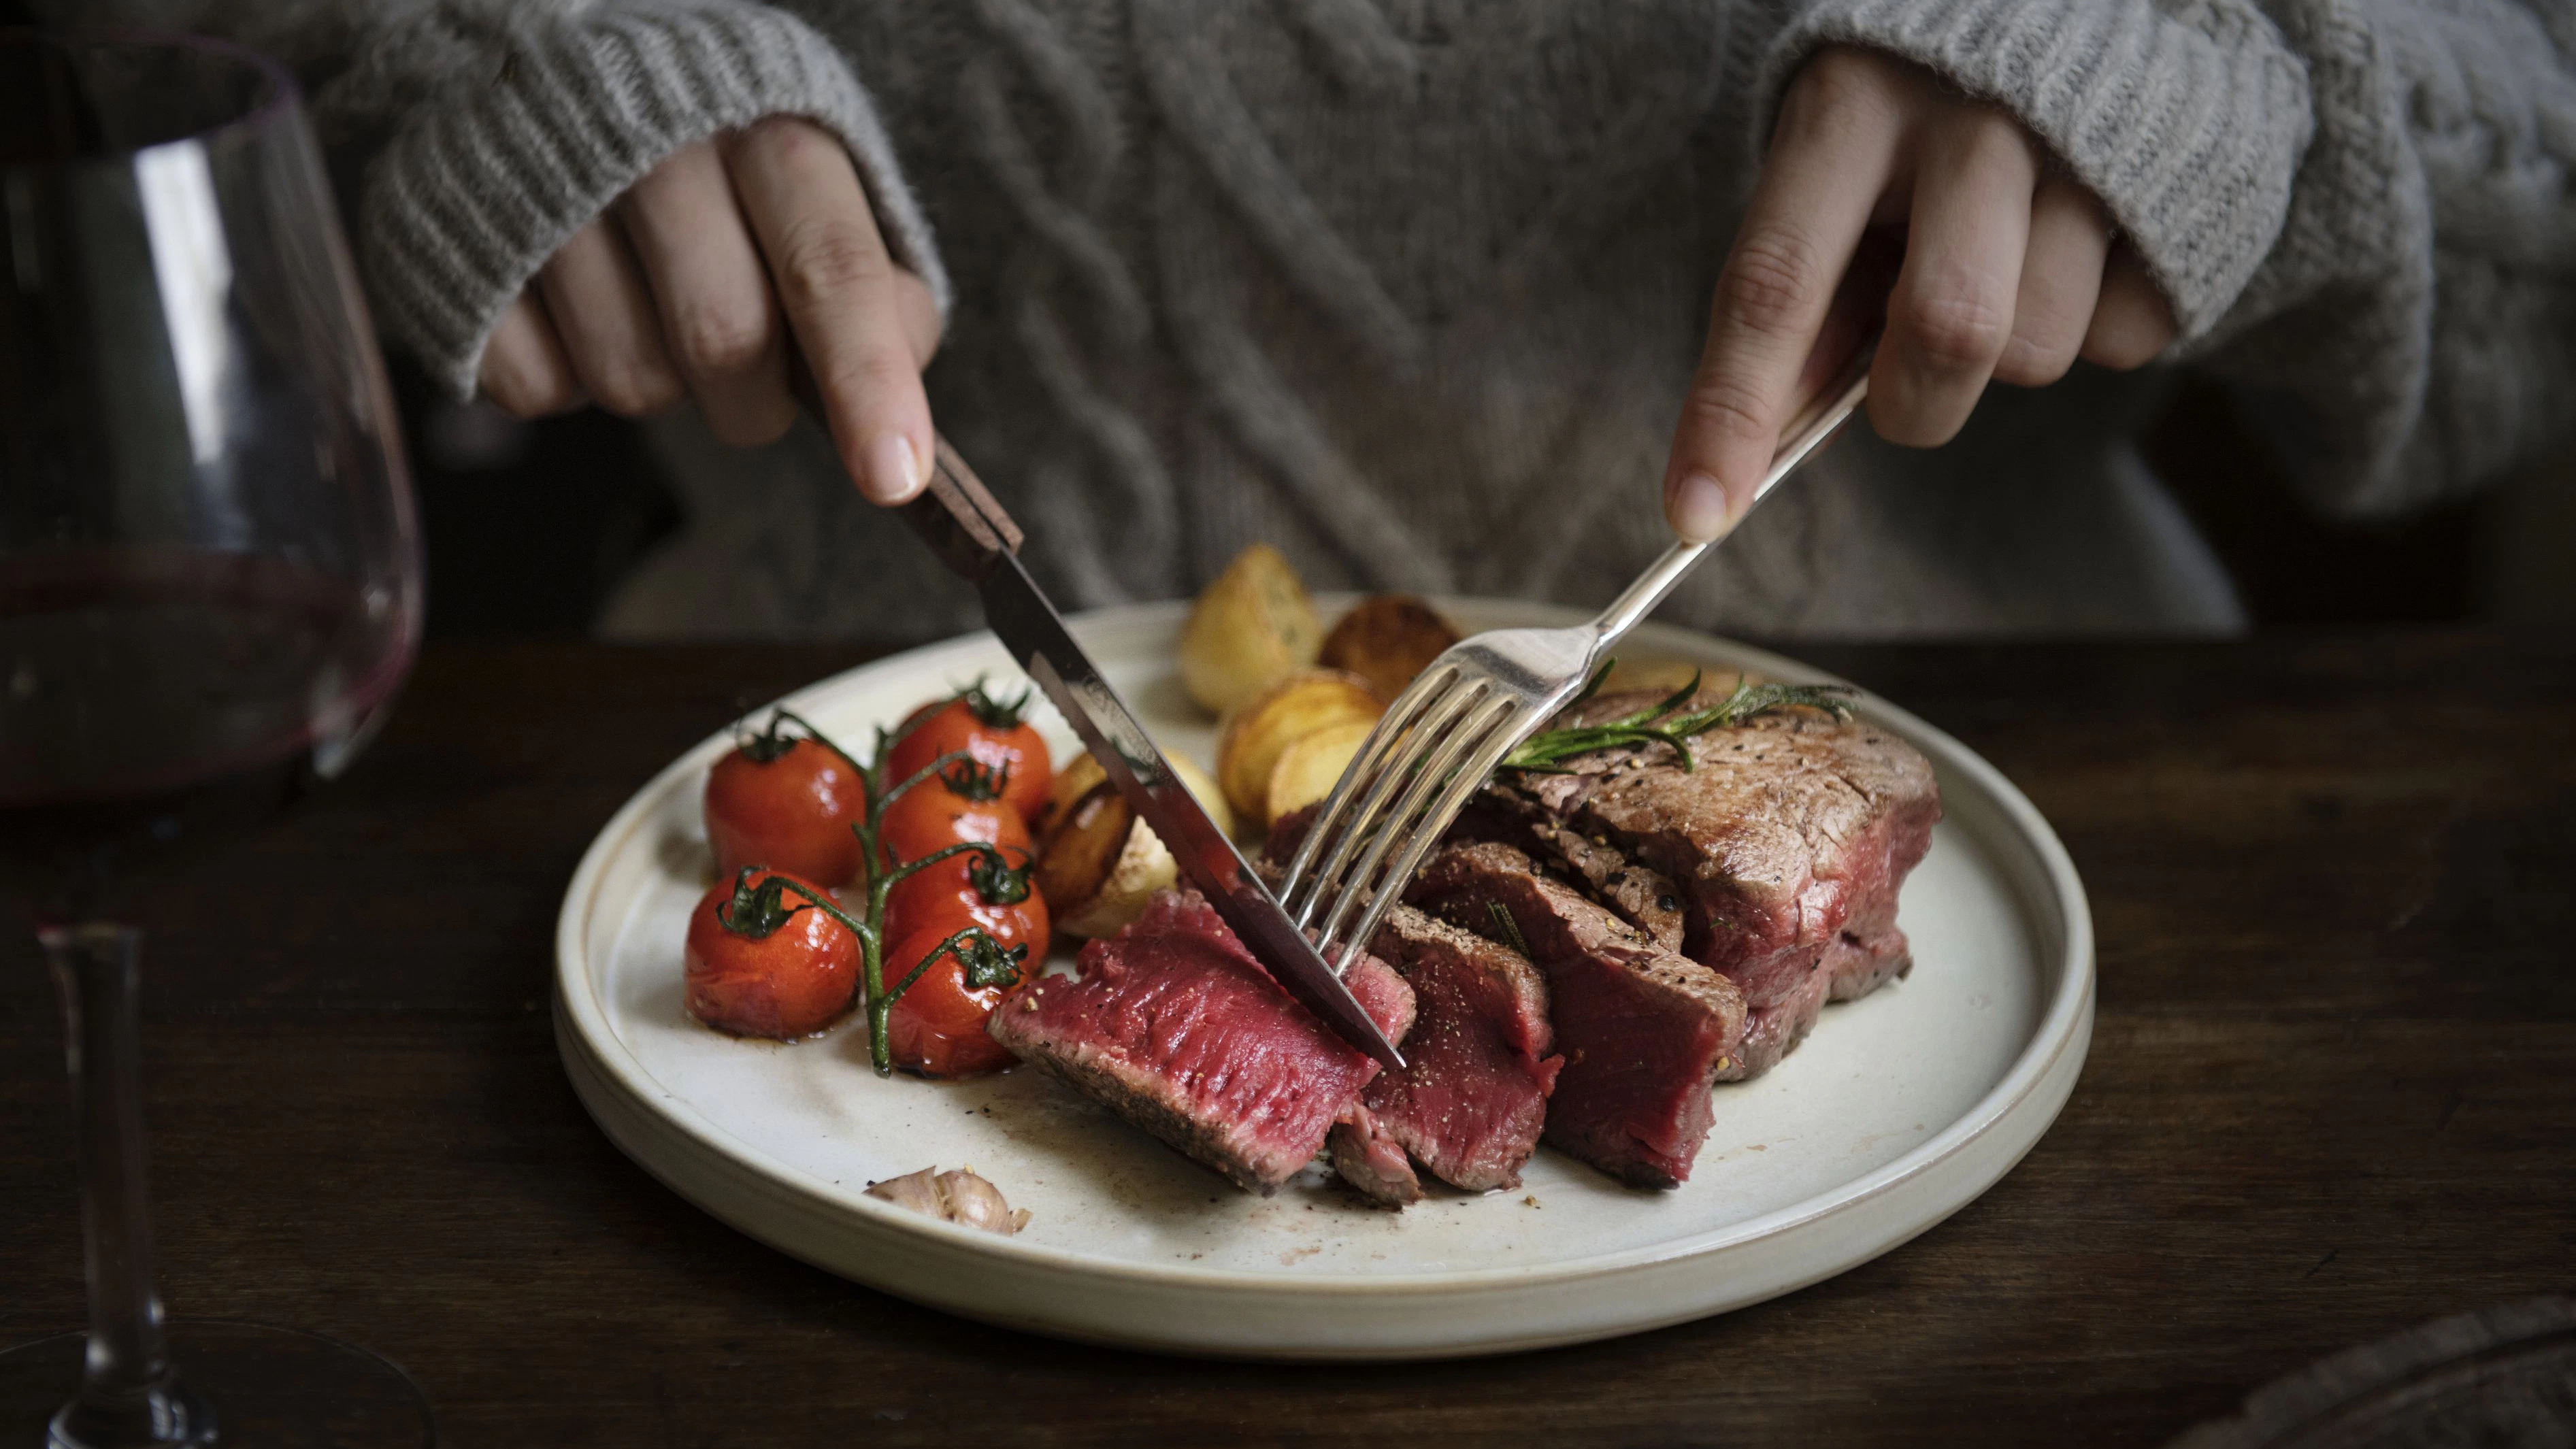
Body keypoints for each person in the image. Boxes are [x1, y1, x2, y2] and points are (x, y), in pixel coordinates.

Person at [72, 0, 2576, 639]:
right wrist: (462, 51)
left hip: (2041, 957)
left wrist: (2262, 68)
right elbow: (126, 68)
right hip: (838, 961)